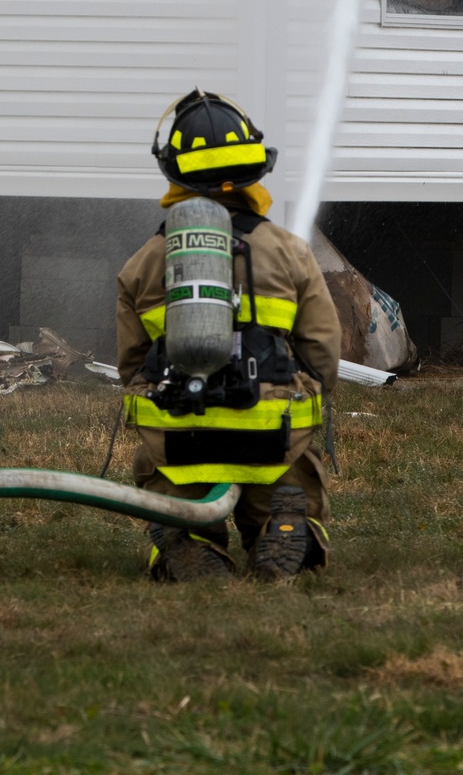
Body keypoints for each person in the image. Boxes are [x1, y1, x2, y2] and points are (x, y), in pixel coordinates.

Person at [116, 90, 342, 581]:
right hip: (271, 434)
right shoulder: (290, 251)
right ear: (254, 171)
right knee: (290, 477)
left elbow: (132, 365)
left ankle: (187, 536)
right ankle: (284, 526)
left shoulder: (142, 263)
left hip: (181, 437)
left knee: (173, 488)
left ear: (174, 175)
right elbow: (322, 353)